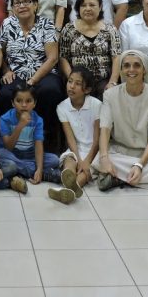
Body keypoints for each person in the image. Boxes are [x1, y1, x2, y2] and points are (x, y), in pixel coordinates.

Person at [92, 50, 148, 191]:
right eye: (126, 65)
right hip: (119, 152)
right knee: (100, 158)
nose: (131, 70)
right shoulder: (110, 95)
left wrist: (139, 165)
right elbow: (105, 129)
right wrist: (104, 158)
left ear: (144, 69)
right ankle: (138, 177)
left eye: (136, 65)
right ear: (121, 70)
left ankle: (118, 176)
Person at [0, 0, 64, 139]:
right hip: (16, 73)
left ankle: (47, 137)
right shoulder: (7, 24)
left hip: (43, 73)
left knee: (50, 91)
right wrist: (6, 70)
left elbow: (52, 58)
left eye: (26, 1)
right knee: (5, 95)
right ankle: (12, 138)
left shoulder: (46, 24)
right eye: (17, 3)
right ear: (13, 7)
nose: (22, 6)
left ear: (35, 5)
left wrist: (33, 80)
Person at [48, 68, 102, 204]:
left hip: (95, 150)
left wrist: (86, 161)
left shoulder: (96, 105)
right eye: (70, 81)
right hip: (77, 148)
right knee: (69, 160)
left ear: (87, 89)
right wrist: (78, 158)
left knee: (86, 170)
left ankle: (71, 188)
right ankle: (70, 183)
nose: (71, 86)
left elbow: (97, 140)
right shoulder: (62, 107)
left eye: (77, 84)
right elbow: (70, 138)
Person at [59, 0, 121, 97]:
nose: (88, 9)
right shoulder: (68, 29)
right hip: (77, 80)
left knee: (109, 95)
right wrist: (72, 80)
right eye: (83, 5)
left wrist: (112, 82)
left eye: (92, 5)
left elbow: (116, 57)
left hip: (103, 80)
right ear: (78, 8)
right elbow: (63, 57)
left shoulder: (110, 29)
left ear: (100, 7)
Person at [0, 84, 61, 186]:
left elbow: (38, 145)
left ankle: (22, 172)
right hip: (10, 153)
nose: (24, 105)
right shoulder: (5, 119)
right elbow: (8, 146)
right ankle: (44, 174)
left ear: (34, 103)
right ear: (13, 103)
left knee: (55, 160)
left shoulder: (38, 120)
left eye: (28, 101)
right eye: (19, 101)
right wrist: (20, 126)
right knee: (1, 155)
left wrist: (39, 169)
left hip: (29, 154)